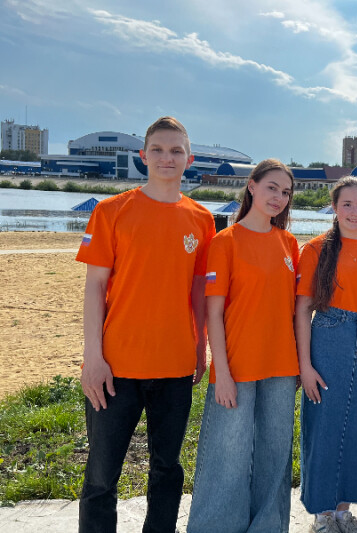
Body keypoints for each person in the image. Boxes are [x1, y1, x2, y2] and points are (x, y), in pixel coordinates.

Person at [76, 116, 215, 533]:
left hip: (174, 365)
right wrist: (92, 357)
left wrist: (200, 348)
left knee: (167, 470)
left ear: (189, 159)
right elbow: (94, 287)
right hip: (115, 365)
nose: (166, 157)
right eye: (157, 149)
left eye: (176, 151)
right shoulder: (111, 211)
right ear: (143, 156)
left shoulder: (202, 219)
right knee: (101, 476)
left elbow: (198, 293)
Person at [187, 159, 299, 532]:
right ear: (252, 186)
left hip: (282, 366)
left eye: (286, 192)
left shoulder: (289, 243)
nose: (278, 197)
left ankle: (268, 527)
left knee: (275, 457)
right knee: (227, 456)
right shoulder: (225, 241)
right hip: (236, 366)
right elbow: (213, 313)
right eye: (272, 188)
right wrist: (220, 372)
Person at [295, 176, 357, 533]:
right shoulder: (316, 249)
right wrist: (305, 365)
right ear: (335, 207)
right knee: (325, 424)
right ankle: (322, 513)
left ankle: (343, 510)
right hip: (330, 338)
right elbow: (303, 310)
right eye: (347, 205)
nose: (355, 212)